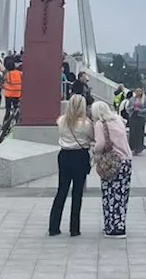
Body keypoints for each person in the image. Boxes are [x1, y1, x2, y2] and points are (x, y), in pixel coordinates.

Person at [49, 95, 93, 237]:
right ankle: (74, 228)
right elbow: (92, 138)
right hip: (80, 156)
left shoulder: (61, 121)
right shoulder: (86, 124)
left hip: (64, 155)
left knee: (61, 191)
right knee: (77, 193)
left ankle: (53, 227)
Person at [90, 101, 132, 239]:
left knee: (110, 194)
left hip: (112, 161)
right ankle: (120, 224)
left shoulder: (99, 124)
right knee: (121, 194)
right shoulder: (118, 119)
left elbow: (100, 144)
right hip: (126, 160)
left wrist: (94, 148)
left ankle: (112, 226)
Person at [125, 88, 146, 155]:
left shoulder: (144, 99)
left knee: (140, 133)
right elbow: (127, 108)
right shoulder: (132, 99)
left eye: (139, 91)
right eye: (137, 91)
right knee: (133, 132)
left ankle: (139, 148)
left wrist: (140, 110)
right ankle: (132, 148)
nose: (138, 93)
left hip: (141, 117)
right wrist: (132, 108)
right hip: (133, 117)